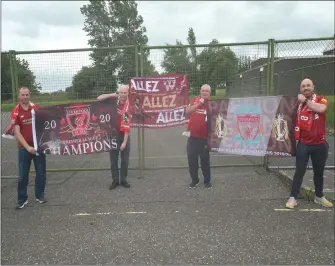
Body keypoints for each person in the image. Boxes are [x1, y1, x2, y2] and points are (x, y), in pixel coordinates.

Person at [286, 78, 333, 209]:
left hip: (320, 144)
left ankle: (319, 196)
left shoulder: (321, 99)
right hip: (304, 144)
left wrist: (305, 101)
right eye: (303, 86)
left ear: (313, 87)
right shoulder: (297, 103)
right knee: (299, 171)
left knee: (319, 172)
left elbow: (321, 109)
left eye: (308, 85)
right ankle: (293, 197)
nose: (306, 88)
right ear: (300, 89)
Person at [13, 87, 47, 209]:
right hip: (24, 148)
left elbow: (46, 123)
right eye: (23, 95)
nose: (25, 97)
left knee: (41, 173)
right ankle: (22, 199)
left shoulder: (36, 109)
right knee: (23, 175)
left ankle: (40, 195)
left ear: (30, 95)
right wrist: (27, 147)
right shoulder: (16, 112)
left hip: (39, 148)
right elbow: (17, 133)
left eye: (27, 95)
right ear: (19, 96)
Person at [97, 85, 132, 189]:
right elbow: (99, 98)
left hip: (123, 134)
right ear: (119, 92)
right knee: (113, 160)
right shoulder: (113, 100)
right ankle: (115, 180)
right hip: (112, 134)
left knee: (125, 160)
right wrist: (112, 94)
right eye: (121, 92)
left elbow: (126, 126)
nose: (123, 95)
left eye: (125, 93)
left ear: (128, 93)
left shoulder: (128, 106)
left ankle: (123, 180)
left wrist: (125, 142)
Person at [185, 84, 212, 189]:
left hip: (205, 138)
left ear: (209, 93)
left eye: (207, 91)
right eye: (203, 91)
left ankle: (207, 181)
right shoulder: (194, 101)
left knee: (205, 161)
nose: (205, 92)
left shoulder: (211, 104)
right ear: (200, 91)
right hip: (192, 137)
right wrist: (198, 104)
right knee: (192, 161)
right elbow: (187, 111)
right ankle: (194, 180)